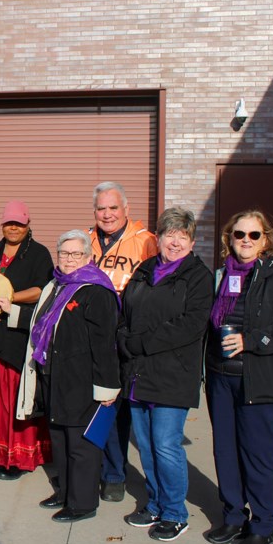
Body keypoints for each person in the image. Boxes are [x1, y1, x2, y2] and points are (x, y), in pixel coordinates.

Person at [204, 210, 273, 544]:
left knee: (259, 454)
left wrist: (251, 340)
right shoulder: (221, 276)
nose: (245, 241)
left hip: (262, 382)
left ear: (266, 239)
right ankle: (234, 516)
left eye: (254, 235)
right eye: (239, 235)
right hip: (222, 379)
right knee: (226, 451)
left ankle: (263, 526)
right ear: (229, 239)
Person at [6, 229, 120, 522]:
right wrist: (10, 311)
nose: (69, 259)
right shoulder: (55, 285)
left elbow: (105, 344)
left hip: (81, 381)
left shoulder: (95, 290)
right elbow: (40, 322)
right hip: (53, 376)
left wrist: (107, 389)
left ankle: (82, 503)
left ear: (88, 257)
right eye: (64, 253)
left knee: (80, 444)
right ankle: (66, 492)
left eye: (76, 254)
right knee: (60, 439)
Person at [118, 207, 213, 542]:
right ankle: (156, 502)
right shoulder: (145, 269)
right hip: (138, 372)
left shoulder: (198, 276)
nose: (175, 242)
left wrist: (140, 343)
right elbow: (126, 311)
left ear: (192, 240)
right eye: (170, 234)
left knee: (166, 444)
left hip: (173, 374)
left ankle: (175, 512)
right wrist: (123, 339)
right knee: (145, 445)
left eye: (183, 236)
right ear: (158, 237)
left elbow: (191, 325)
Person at [0, 200, 54, 481]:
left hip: (16, 337)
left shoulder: (39, 253)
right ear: (2, 225)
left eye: (18, 223)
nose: (13, 227)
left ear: (28, 224)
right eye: (9, 223)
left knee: (15, 400)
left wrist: (8, 299)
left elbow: (41, 290)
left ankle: (19, 457)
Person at [89, 181, 158, 503]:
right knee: (91, 406)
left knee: (118, 409)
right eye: (101, 208)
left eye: (113, 208)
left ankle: (115, 474)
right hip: (90, 338)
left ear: (126, 210)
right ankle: (93, 467)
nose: (107, 214)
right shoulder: (85, 240)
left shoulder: (146, 244)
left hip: (126, 340)